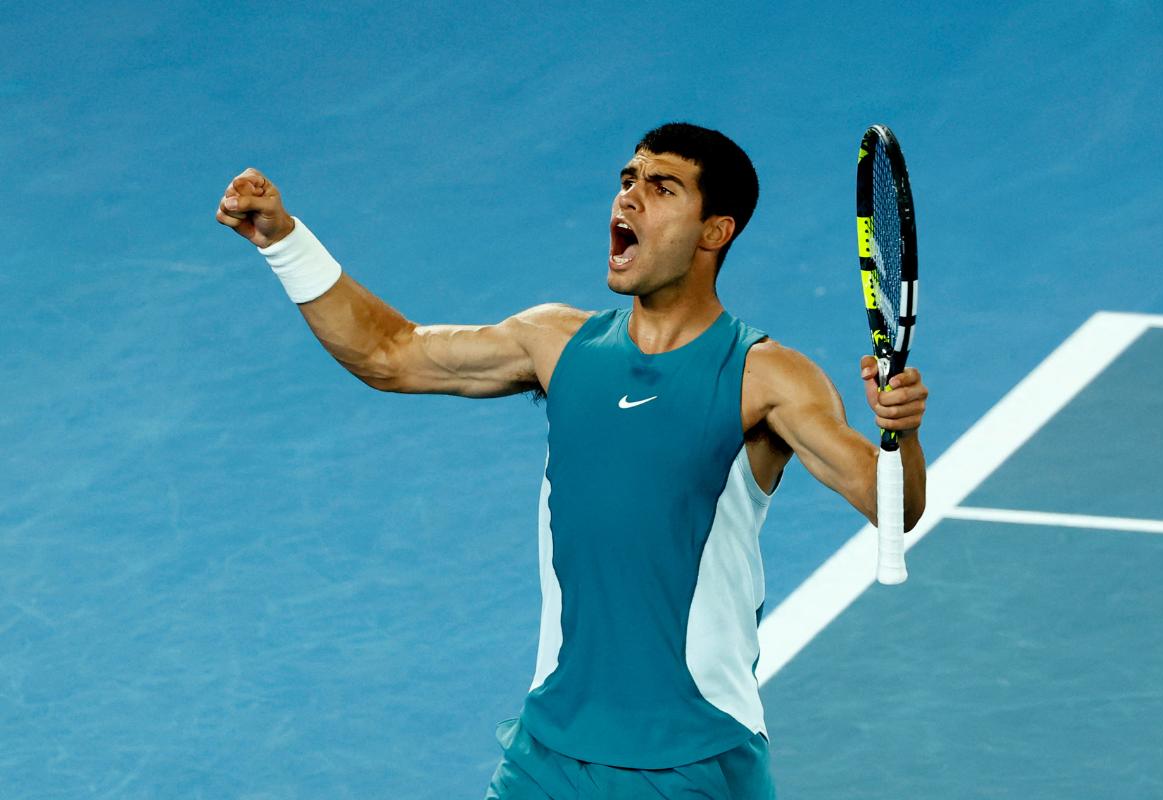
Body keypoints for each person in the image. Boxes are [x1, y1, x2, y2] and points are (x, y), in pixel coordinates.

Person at [215, 122, 928, 799]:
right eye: (629, 178)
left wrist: (903, 433)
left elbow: (890, 502)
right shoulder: (554, 343)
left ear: (716, 232)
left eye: (662, 187)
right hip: (550, 756)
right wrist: (284, 241)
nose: (629, 195)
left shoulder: (766, 377)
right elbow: (388, 354)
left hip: (692, 762)